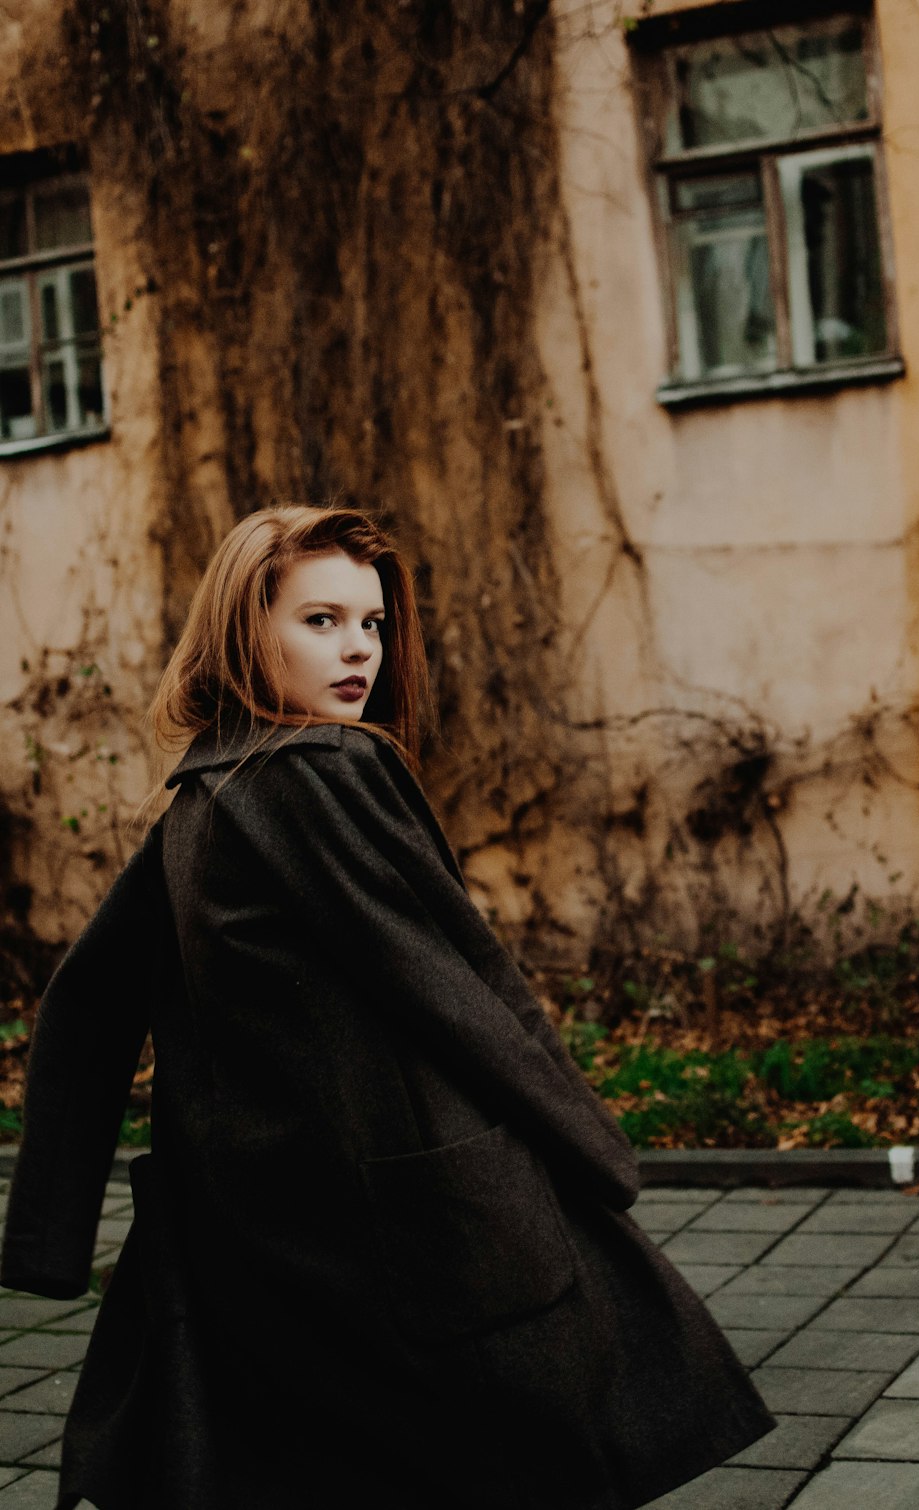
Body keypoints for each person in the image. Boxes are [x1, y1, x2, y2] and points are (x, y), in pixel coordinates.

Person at [1, 506, 773, 1510]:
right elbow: (460, 980)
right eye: (320, 620)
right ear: (244, 629)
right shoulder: (326, 770)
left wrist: (48, 1237)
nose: (359, 647)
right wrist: (590, 1150)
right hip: (397, 1229)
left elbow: (83, 1006)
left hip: (273, 1232)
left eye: (370, 622)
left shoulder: (201, 795)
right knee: (539, 1426)